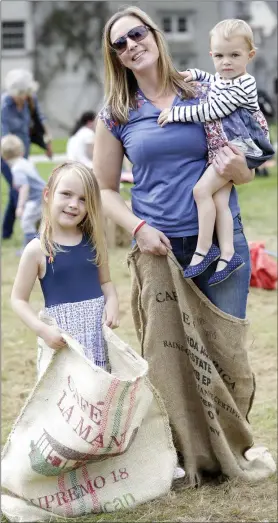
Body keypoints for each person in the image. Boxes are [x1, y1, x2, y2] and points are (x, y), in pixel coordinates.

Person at [93, 6, 255, 321]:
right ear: (116, 57)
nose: (131, 45)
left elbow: (245, 163)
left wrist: (241, 171)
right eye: (120, 44)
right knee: (170, 355)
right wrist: (138, 229)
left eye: (137, 34)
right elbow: (103, 189)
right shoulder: (115, 113)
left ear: (154, 35)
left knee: (227, 349)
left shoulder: (208, 92)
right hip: (158, 248)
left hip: (223, 243)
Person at [158, 19, 274, 286]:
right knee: (219, 200)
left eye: (234, 55)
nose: (226, 62)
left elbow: (212, 110)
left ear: (250, 55)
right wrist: (198, 74)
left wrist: (176, 114)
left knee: (200, 191)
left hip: (241, 146)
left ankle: (203, 250)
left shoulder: (245, 84)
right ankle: (228, 253)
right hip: (228, 146)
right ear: (212, 55)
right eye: (219, 56)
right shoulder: (226, 78)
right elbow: (216, 82)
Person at [11, 161, 119, 367]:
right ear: (47, 195)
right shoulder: (37, 250)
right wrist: (42, 330)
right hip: (63, 342)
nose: (73, 204)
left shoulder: (95, 242)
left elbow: (106, 283)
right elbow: (18, 299)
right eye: (66, 194)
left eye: (83, 199)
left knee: (97, 397)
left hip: (96, 339)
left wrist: (112, 302)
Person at [1, 68, 52, 239]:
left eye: (26, 93)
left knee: (17, 188)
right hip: (7, 155)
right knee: (19, 189)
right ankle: (28, 228)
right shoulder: (4, 106)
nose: (24, 97)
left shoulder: (30, 98)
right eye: (20, 94)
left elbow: (38, 118)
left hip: (23, 150)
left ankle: (7, 232)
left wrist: (47, 142)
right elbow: (4, 136)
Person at [1, 134, 46, 249]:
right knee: (39, 222)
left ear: (4, 157)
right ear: (21, 151)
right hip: (43, 196)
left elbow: (24, 187)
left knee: (26, 222)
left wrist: (20, 206)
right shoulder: (25, 162)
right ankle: (42, 243)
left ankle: (29, 249)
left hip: (36, 199)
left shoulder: (17, 169)